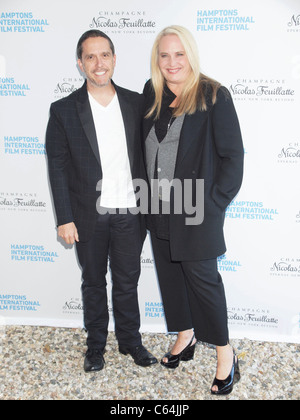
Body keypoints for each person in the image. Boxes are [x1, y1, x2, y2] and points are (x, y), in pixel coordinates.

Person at [46, 30, 157, 373]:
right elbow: (58, 167)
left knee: (127, 280)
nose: (98, 63)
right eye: (90, 57)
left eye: (104, 55)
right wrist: (64, 217)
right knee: (93, 280)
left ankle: (130, 342)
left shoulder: (136, 103)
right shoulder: (64, 110)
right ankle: (96, 346)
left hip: (130, 212)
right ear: (80, 63)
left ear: (114, 59)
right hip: (87, 215)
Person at [143, 26, 244, 395]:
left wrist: (214, 205)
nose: (172, 63)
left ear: (191, 55)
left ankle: (225, 353)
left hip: (197, 210)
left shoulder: (213, 95)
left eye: (179, 54)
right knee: (171, 278)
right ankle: (185, 335)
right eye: (165, 55)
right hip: (157, 208)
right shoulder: (151, 94)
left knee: (204, 284)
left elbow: (233, 157)